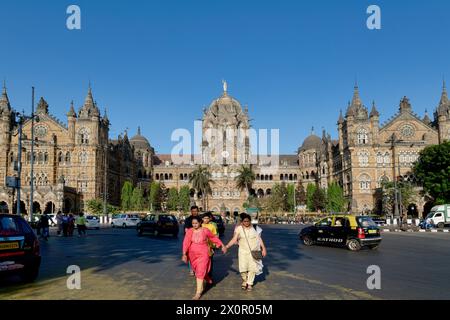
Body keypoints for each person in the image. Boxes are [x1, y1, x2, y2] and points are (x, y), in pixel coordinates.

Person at [182, 216, 226, 300]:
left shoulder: (205, 231)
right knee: (197, 270)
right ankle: (206, 279)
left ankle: (198, 293)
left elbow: (213, 238)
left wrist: (222, 245)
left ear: (200, 223)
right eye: (193, 223)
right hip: (193, 255)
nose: (194, 225)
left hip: (203, 253)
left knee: (200, 270)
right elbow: (186, 242)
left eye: (196, 223)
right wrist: (184, 254)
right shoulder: (190, 231)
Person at [225, 213, 267, 292]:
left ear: (250, 221)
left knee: (252, 268)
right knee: (243, 268)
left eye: (248, 221)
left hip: (254, 251)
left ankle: (250, 283)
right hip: (242, 251)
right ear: (242, 221)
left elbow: (259, 239)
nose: (246, 223)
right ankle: (245, 280)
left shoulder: (255, 228)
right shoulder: (239, 229)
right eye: (245, 221)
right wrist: (227, 246)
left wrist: (263, 248)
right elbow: (234, 239)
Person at [201, 212, 218, 282]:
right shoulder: (200, 226)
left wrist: (215, 246)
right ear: (202, 219)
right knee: (202, 262)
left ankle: (209, 275)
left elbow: (215, 236)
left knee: (209, 261)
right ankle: (202, 275)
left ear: (209, 219)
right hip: (201, 247)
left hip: (210, 247)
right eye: (204, 218)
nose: (206, 219)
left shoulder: (212, 226)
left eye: (207, 218)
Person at [184, 206, 200, 276]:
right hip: (191, 239)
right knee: (191, 255)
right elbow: (186, 230)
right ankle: (191, 268)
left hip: (199, 239)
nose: (194, 212)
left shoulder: (200, 219)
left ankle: (197, 268)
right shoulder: (188, 219)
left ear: (198, 211)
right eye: (193, 211)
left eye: (195, 211)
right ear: (191, 211)